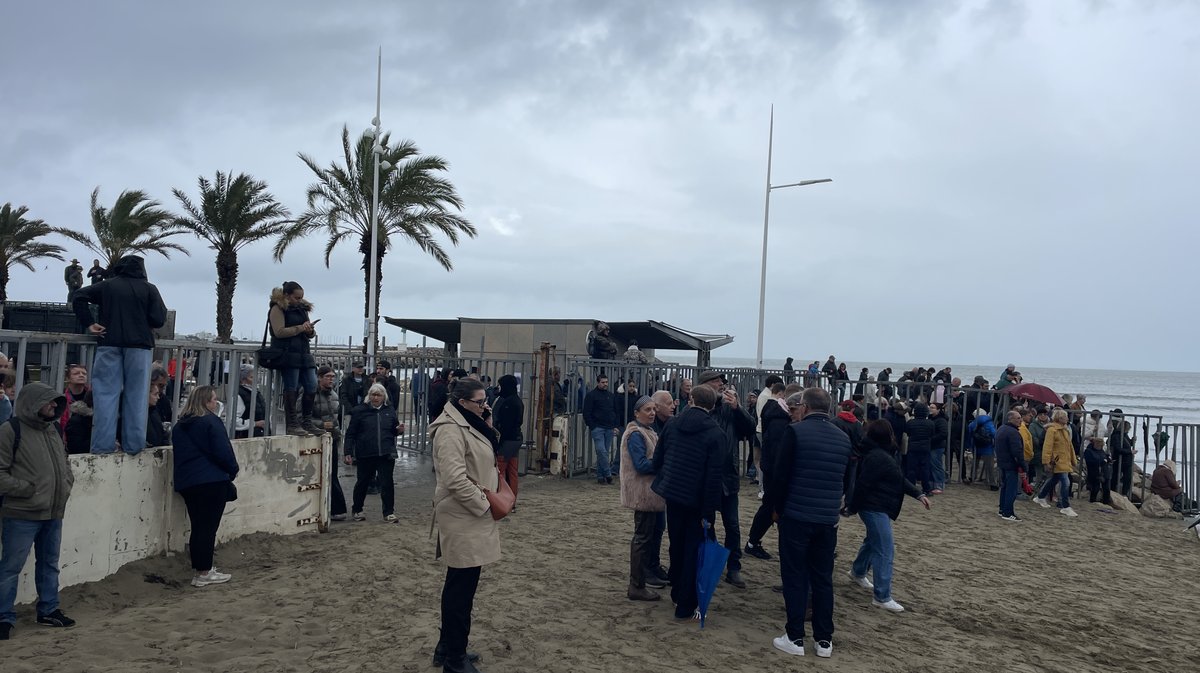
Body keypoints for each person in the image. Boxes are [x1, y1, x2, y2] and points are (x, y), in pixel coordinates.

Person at [767, 388, 851, 659]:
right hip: (827, 519)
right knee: (823, 578)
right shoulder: (843, 437)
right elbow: (846, 480)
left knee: (795, 576)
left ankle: (794, 637)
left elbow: (780, 476)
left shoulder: (796, 432)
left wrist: (776, 510)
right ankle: (824, 640)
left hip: (797, 515)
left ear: (805, 406)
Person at [429, 379, 499, 673]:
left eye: (485, 401)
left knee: (462, 585)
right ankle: (454, 659)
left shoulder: (469, 422)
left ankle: (447, 648)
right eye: (480, 401)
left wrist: (486, 418)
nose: (485, 406)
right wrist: (483, 504)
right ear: (462, 402)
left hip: (470, 514)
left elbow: (491, 445)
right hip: (463, 514)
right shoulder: (449, 429)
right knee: (460, 588)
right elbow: (453, 478)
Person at [0, 383, 75, 639]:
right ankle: (3, 616)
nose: (55, 405)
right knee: (11, 567)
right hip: (21, 513)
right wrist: (28, 489)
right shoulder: (10, 430)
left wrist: (66, 484)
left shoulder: (54, 428)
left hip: (53, 512)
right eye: (49, 401)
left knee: (49, 564)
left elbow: (64, 461)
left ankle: (49, 610)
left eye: (56, 401)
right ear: (33, 403)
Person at [71, 255, 167, 455]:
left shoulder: (107, 286)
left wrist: (89, 322)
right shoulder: (149, 289)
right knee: (137, 396)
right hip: (140, 346)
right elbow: (158, 319)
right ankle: (134, 445)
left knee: (105, 396)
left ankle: (102, 447)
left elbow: (79, 296)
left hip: (109, 342)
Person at [650, 384, 724, 621]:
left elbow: (659, 457)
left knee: (677, 543)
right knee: (694, 548)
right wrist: (709, 511)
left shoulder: (672, 424)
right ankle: (686, 603)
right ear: (713, 406)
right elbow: (713, 477)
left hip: (673, 493)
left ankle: (677, 590)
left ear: (690, 400)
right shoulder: (715, 433)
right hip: (696, 498)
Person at [846, 420, 931, 613]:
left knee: (873, 541)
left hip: (877, 506)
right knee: (885, 549)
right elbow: (863, 484)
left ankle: (858, 572)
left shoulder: (881, 453)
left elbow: (897, 478)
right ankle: (882, 596)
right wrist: (852, 507)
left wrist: (918, 494)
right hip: (874, 507)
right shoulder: (878, 456)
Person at [170, 385, 240, 588]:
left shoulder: (180, 426)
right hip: (211, 480)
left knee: (198, 526)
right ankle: (204, 571)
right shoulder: (211, 422)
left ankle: (201, 569)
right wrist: (232, 470)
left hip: (188, 482)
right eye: (214, 400)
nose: (216, 403)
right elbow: (223, 451)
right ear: (207, 402)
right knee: (208, 528)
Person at [696, 370, 755, 589]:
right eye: (716, 382)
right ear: (705, 386)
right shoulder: (700, 409)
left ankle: (734, 567)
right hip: (706, 477)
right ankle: (711, 564)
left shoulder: (731, 409)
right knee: (706, 524)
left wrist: (737, 408)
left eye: (722, 382)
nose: (721, 386)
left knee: (733, 525)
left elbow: (750, 428)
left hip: (729, 476)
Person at [620, 395, 666, 601]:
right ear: (636, 413)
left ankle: (648, 573)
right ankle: (636, 584)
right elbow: (641, 464)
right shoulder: (636, 434)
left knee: (651, 535)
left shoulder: (647, 431)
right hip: (644, 493)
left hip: (652, 493)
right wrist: (663, 464)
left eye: (654, 409)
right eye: (647, 410)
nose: (652, 413)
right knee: (642, 538)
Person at [744, 382, 792, 561]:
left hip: (771, 468)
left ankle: (753, 542)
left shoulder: (773, 414)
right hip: (775, 471)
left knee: (772, 508)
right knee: (772, 508)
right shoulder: (780, 420)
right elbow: (779, 450)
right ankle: (753, 542)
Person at [267, 281, 322, 437]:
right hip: (288, 354)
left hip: (304, 353)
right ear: (287, 295)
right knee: (292, 387)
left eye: (301, 297)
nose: (299, 300)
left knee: (312, 385)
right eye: (297, 297)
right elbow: (279, 332)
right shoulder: (277, 308)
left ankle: (307, 421)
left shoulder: (302, 309)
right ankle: (292, 423)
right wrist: (300, 328)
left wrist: (309, 330)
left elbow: (307, 333)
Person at [344, 383, 402, 523]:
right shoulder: (359, 411)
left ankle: (389, 512)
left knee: (387, 483)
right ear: (368, 396)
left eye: (378, 395)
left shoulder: (390, 410)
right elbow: (350, 433)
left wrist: (399, 430)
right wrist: (348, 452)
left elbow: (393, 430)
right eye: (373, 395)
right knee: (362, 483)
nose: (375, 398)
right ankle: (357, 509)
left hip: (386, 453)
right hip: (366, 453)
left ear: (384, 397)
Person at [314, 366, 348, 521]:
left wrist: (337, 432)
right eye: (328, 376)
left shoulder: (334, 394)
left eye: (333, 377)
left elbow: (335, 418)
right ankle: (331, 508)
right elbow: (302, 417)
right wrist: (321, 424)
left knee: (332, 473)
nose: (331, 379)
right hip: (316, 437)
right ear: (319, 377)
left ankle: (336, 509)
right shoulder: (310, 394)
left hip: (332, 438)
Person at [1033, 410, 1077, 517]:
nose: (1067, 419)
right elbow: (1047, 447)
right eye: (1065, 417)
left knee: (1054, 480)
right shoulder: (1052, 430)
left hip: (1064, 460)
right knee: (1065, 482)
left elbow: (1069, 447)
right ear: (1060, 418)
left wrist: (1073, 459)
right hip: (1057, 461)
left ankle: (1040, 497)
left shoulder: (1065, 430)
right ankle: (1065, 506)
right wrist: (1046, 462)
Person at [491, 374, 523, 508]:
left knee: (500, 471)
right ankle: (512, 501)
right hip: (516, 439)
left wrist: (498, 442)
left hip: (507, 441)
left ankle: (502, 501)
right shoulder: (518, 400)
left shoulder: (508, 402)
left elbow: (504, 426)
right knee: (513, 472)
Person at [582, 374, 619, 485]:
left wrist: (615, 425)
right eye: (603, 382)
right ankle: (608, 475)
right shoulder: (591, 395)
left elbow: (616, 411)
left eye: (606, 382)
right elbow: (586, 412)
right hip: (597, 428)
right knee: (602, 451)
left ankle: (600, 476)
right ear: (598, 382)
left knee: (604, 452)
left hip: (608, 428)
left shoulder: (611, 396)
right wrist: (592, 426)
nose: (605, 384)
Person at [994, 411, 1028, 521]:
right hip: (1010, 464)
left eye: (1020, 418)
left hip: (1003, 463)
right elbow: (1017, 452)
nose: (1020, 420)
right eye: (1018, 418)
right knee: (1011, 489)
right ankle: (1008, 512)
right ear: (1010, 419)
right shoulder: (1013, 433)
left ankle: (1002, 509)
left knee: (1004, 487)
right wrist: (1023, 466)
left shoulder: (1001, 429)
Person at [903, 402, 935, 495]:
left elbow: (907, 433)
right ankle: (926, 489)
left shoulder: (910, 423)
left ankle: (911, 488)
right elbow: (932, 434)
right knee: (925, 469)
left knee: (911, 469)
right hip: (925, 448)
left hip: (912, 448)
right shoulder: (930, 423)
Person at [1082, 410, 1110, 504]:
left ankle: (1104, 498)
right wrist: (1092, 431)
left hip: (1100, 449)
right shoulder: (1085, 423)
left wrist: (1110, 429)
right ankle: (1091, 491)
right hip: (1090, 448)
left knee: (1103, 472)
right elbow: (1083, 435)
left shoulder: (1100, 424)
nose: (1098, 419)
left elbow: (1105, 434)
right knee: (1093, 472)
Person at [233, 364, 267, 439]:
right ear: (243, 380)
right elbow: (234, 420)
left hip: (259, 435)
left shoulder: (256, 393)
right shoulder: (239, 395)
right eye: (251, 377)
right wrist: (254, 424)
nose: (256, 379)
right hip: (246, 436)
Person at [1107, 410, 1136, 498]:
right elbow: (1118, 448)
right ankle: (1113, 492)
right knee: (1116, 476)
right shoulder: (1116, 436)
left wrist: (1132, 441)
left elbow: (1126, 444)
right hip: (1120, 460)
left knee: (1127, 478)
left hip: (1126, 461)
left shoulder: (1124, 435)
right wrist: (1130, 452)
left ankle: (1124, 493)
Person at [968, 410, 998, 488]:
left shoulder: (972, 424)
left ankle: (972, 477)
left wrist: (971, 446)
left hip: (976, 446)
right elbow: (994, 433)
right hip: (988, 447)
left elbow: (970, 435)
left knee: (975, 463)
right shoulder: (989, 423)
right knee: (990, 466)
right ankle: (992, 483)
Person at [57, 364, 89, 436]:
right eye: (76, 373)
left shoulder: (93, 397)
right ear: (68, 378)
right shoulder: (61, 397)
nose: (81, 375)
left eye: (84, 374)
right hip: (68, 438)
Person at [929, 403, 949, 494]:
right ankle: (933, 484)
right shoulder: (931, 418)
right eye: (930, 407)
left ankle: (939, 485)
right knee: (932, 465)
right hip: (933, 445)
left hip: (937, 446)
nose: (931, 409)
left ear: (938, 410)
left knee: (936, 465)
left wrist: (931, 439)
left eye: (933, 407)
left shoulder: (941, 420)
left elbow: (943, 433)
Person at [145, 384, 169, 448]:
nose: (158, 397)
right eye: (155, 394)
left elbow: (162, 433)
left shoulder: (154, 412)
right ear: (146, 394)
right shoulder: (142, 415)